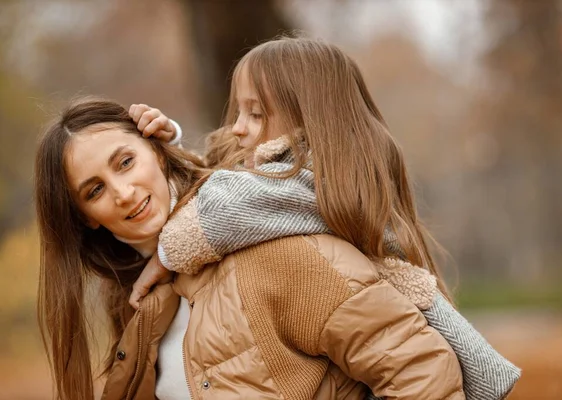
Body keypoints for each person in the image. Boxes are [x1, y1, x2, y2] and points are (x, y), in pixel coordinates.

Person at [129, 36, 520, 400]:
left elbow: (220, 208)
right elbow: (225, 184)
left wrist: (165, 255)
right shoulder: (307, 189)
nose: (238, 128)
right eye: (239, 110)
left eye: (257, 113)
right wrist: (171, 145)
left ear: (308, 121)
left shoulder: (309, 192)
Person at [35, 98, 465, 400]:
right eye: (95, 190)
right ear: (84, 216)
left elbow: (421, 370)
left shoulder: (265, 248)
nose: (123, 192)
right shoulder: (132, 299)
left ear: (157, 153)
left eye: (125, 162)